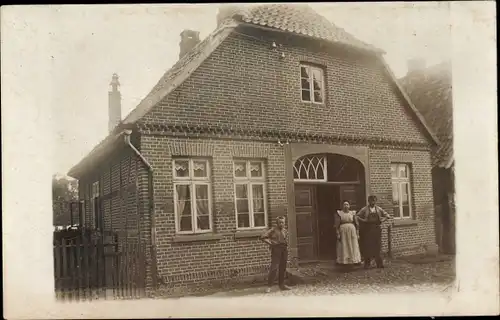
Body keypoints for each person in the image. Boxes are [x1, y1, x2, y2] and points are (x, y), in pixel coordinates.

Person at [357, 195, 392, 269]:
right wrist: (364, 220)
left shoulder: (379, 209)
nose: (372, 202)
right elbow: (357, 216)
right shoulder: (364, 209)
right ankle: (367, 264)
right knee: (367, 247)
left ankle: (379, 263)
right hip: (367, 230)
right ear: (368, 201)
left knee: (377, 246)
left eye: (374, 200)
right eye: (371, 201)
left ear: (376, 201)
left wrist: (382, 220)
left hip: (376, 229)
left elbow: (388, 216)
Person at [260, 216, 291, 293]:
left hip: (284, 249)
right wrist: (271, 243)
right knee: (274, 267)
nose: (281, 224)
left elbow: (285, 240)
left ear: (284, 223)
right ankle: (269, 286)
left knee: (283, 267)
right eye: (280, 222)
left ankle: (282, 285)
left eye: (283, 222)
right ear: (277, 223)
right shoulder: (273, 230)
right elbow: (263, 237)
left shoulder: (285, 230)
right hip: (276, 250)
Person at [334, 200, 362, 270]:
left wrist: (357, 233)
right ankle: (344, 261)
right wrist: (338, 234)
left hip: (352, 231)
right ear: (342, 206)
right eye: (344, 205)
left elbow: (357, 224)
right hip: (343, 231)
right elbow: (337, 225)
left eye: (347, 204)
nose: (346, 206)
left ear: (349, 206)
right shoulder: (339, 213)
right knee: (344, 245)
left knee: (352, 245)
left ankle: (354, 261)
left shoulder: (353, 213)